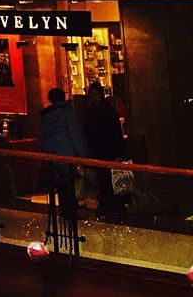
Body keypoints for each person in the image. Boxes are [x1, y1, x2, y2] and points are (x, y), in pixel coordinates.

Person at [38, 87, 88, 240]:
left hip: (53, 157)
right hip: (67, 156)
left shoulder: (46, 117)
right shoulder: (67, 115)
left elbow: (42, 138)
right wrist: (83, 155)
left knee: (61, 185)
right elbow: (75, 135)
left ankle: (64, 211)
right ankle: (71, 212)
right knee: (70, 184)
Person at [82, 81, 127, 218]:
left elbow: (114, 133)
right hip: (102, 151)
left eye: (95, 95)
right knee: (105, 180)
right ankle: (111, 205)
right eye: (92, 96)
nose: (94, 98)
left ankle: (110, 205)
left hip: (106, 151)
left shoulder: (102, 111)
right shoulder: (100, 111)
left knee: (108, 180)